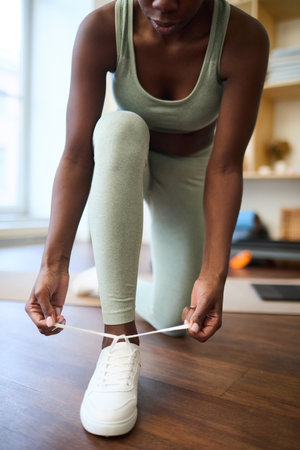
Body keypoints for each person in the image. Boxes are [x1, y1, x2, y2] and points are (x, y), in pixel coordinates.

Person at [25, 0, 269, 437]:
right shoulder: (101, 27)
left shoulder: (244, 37)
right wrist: (53, 263)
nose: (161, 4)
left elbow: (227, 165)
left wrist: (215, 275)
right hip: (124, 162)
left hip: (192, 170)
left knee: (181, 320)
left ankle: (107, 281)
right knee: (119, 128)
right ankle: (119, 341)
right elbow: (78, 155)